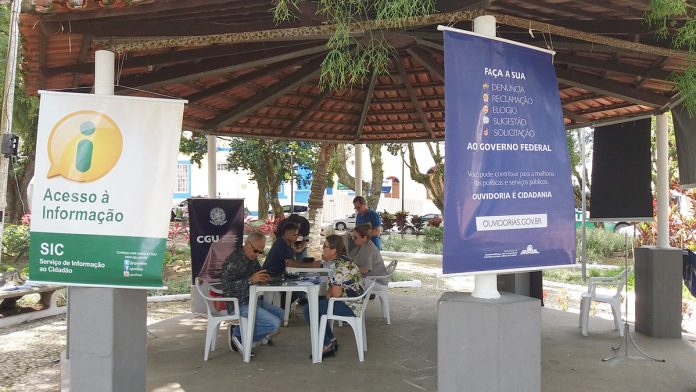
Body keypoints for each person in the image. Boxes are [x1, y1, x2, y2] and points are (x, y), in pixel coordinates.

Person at [220, 232, 283, 354]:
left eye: (260, 252)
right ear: (247, 244)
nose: (257, 254)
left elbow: (258, 273)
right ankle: (238, 336)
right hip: (238, 303)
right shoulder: (233, 261)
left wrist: (265, 277)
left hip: (252, 300)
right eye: (255, 251)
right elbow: (226, 287)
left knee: (280, 314)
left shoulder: (251, 258)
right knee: (273, 323)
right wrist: (250, 280)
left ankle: (242, 332)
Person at [304, 234, 364, 358]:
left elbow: (336, 294)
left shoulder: (339, 267)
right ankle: (330, 340)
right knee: (315, 304)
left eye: (325, 246)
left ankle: (326, 345)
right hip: (354, 302)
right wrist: (330, 292)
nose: (322, 249)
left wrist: (330, 292)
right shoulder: (344, 261)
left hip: (349, 306)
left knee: (309, 308)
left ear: (333, 251)